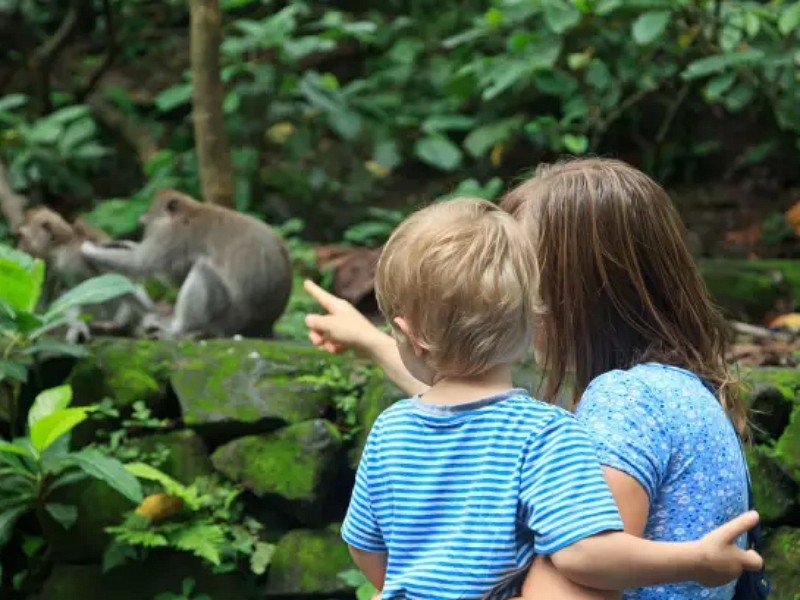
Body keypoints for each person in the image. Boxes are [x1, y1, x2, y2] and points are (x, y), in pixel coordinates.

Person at [328, 194, 761, 600]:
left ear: (407, 334)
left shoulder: (389, 430)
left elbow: (365, 548)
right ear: (534, 316)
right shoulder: (546, 435)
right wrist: (696, 559)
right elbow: (585, 555)